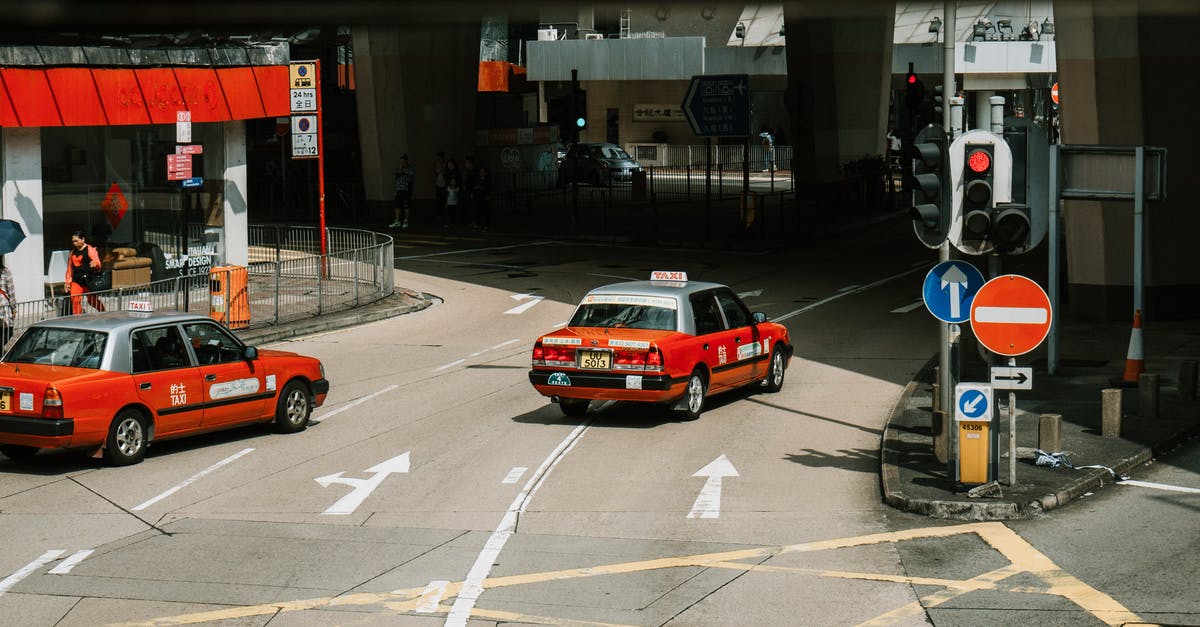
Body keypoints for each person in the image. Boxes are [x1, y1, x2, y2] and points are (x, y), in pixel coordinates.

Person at [65, 230, 106, 315]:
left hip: (88, 280)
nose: (74, 243)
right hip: (76, 281)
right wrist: (68, 282)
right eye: (73, 241)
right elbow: (69, 268)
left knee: (92, 301)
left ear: (83, 239)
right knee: (75, 300)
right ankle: (77, 319)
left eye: (76, 241)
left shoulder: (90, 249)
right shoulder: (72, 252)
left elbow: (97, 262)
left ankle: (104, 313)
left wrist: (95, 264)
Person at [389, 155, 415, 229]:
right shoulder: (398, 168)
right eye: (401, 161)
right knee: (397, 205)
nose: (402, 162)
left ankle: (406, 221)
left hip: (406, 190)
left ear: (406, 161)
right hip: (398, 190)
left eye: (403, 161)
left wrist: (402, 172)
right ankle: (397, 221)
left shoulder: (409, 169)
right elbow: (395, 175)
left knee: (406, 206)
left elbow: (410, 177)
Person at [443, 158, 461, 229]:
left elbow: (459, 182)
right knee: (448, 209)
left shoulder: (457, 173)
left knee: (454, 210)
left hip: (454, 194)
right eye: (449, 164)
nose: (450, 166)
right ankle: (449, 222)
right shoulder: (447, 173)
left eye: (451, 164)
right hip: (448, 192)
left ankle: (454, 222)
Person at [473, 166, 492, 232]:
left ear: (486, 173)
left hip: (484, 198)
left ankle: (486, 226)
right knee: (478, 211)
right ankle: (479, 225)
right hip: (478, 197)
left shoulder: (488, 180)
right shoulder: (478, 179)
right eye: (480, 172)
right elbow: (475, 187)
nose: (481, 173)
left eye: (483, 172)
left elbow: (488, 188)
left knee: (485, 212)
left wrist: (480, 188)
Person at [0, 255, 14, 347]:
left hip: (3, 307)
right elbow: (11, 291)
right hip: (4, 307)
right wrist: (14, 308)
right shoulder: (5, 272)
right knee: (8, 331)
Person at [432, 152, 448, 219]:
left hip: (444, 185)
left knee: (444, 199)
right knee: (438, 200)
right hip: (438, 184)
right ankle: (439, 214)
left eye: (438, 157)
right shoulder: (437, 164)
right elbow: (437, 173)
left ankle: (445, 214)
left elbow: (445, 173)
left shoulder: (445, 164)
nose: (437, 159)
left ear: (441, 157)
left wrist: (441, 168)